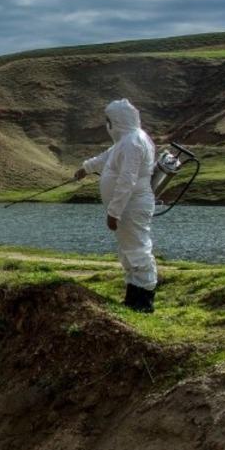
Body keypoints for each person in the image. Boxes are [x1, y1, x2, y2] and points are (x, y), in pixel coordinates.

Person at [75, 98, 158, 312]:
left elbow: (127, 180)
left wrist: (114, 212)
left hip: (132, 205)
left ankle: (144, 301)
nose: (107, 125)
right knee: (128, 250)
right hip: (128, 206)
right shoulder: (126, 141)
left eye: (108, 120)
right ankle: (133, 296)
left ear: (117, 121)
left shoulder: (133, 142)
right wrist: (86, 168)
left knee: (138, 249)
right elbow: (107, 157)